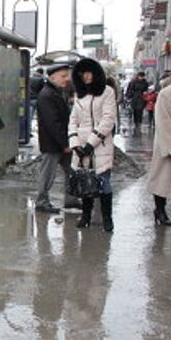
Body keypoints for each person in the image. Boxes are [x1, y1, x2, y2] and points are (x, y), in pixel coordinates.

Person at [68, 58, 118, 232]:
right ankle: (86, 216)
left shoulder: (107, 92)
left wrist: (91, 143)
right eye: (83, 73)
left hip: (101, 145)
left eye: (89, 72)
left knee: (104, 182)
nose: (86, 76)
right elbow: (73, 120)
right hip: (81, 146)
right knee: (84, 180)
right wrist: (75, 143)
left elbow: (108, 120)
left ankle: (107, 218)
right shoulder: (79, 94)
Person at [35, 62, 74, 214]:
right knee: (47, 174)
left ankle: (71, 200)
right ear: (52, 77)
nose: (66, 79)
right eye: (63, 76)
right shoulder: (47, 95)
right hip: (53, 143)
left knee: (71, 171)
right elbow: (53, 123)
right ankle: (41, 202)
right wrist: (64, 144)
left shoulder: (55, 92)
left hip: (59, 142)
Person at [147, 62, 171, 227]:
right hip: (167, 144)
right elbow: (163, 122)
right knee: (163, 180)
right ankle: (160, 210)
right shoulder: (166, 94)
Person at [28, 67, 45, 132]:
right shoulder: (41, 79)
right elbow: (43, 90)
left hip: (29, 99)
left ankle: (28, 130)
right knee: (39, 115)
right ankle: (40, 129)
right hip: (37, 99)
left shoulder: (30, 78)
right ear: (41, 73)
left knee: (30, 116)